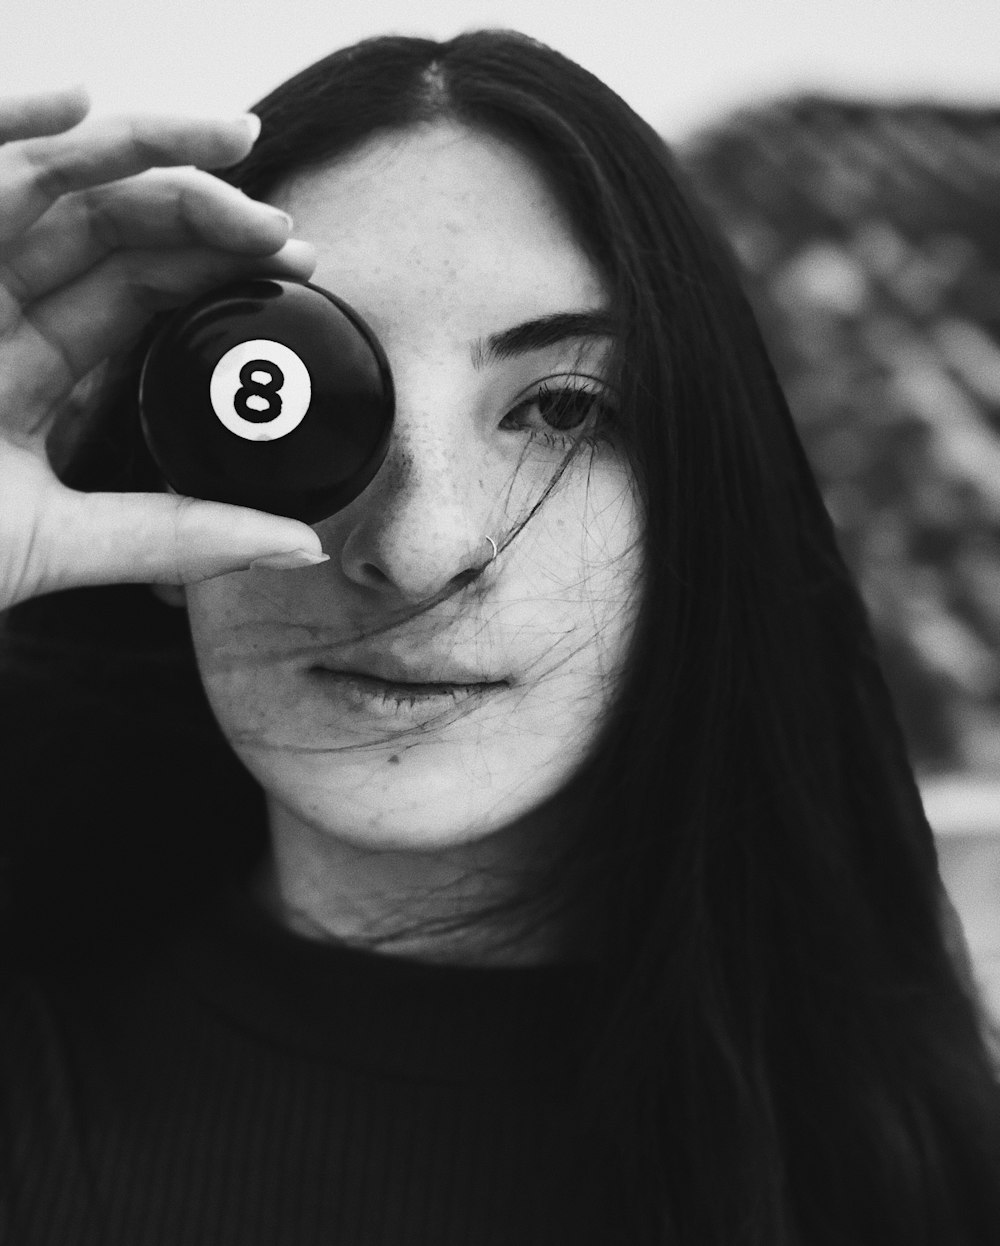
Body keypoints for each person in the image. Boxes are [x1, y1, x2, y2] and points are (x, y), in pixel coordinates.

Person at [0, 29, 998, 1246]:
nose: (417, 550)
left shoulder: (921, 1166)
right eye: (306, 402)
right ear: (158, 494)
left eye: (565, 407)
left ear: (700, 505)